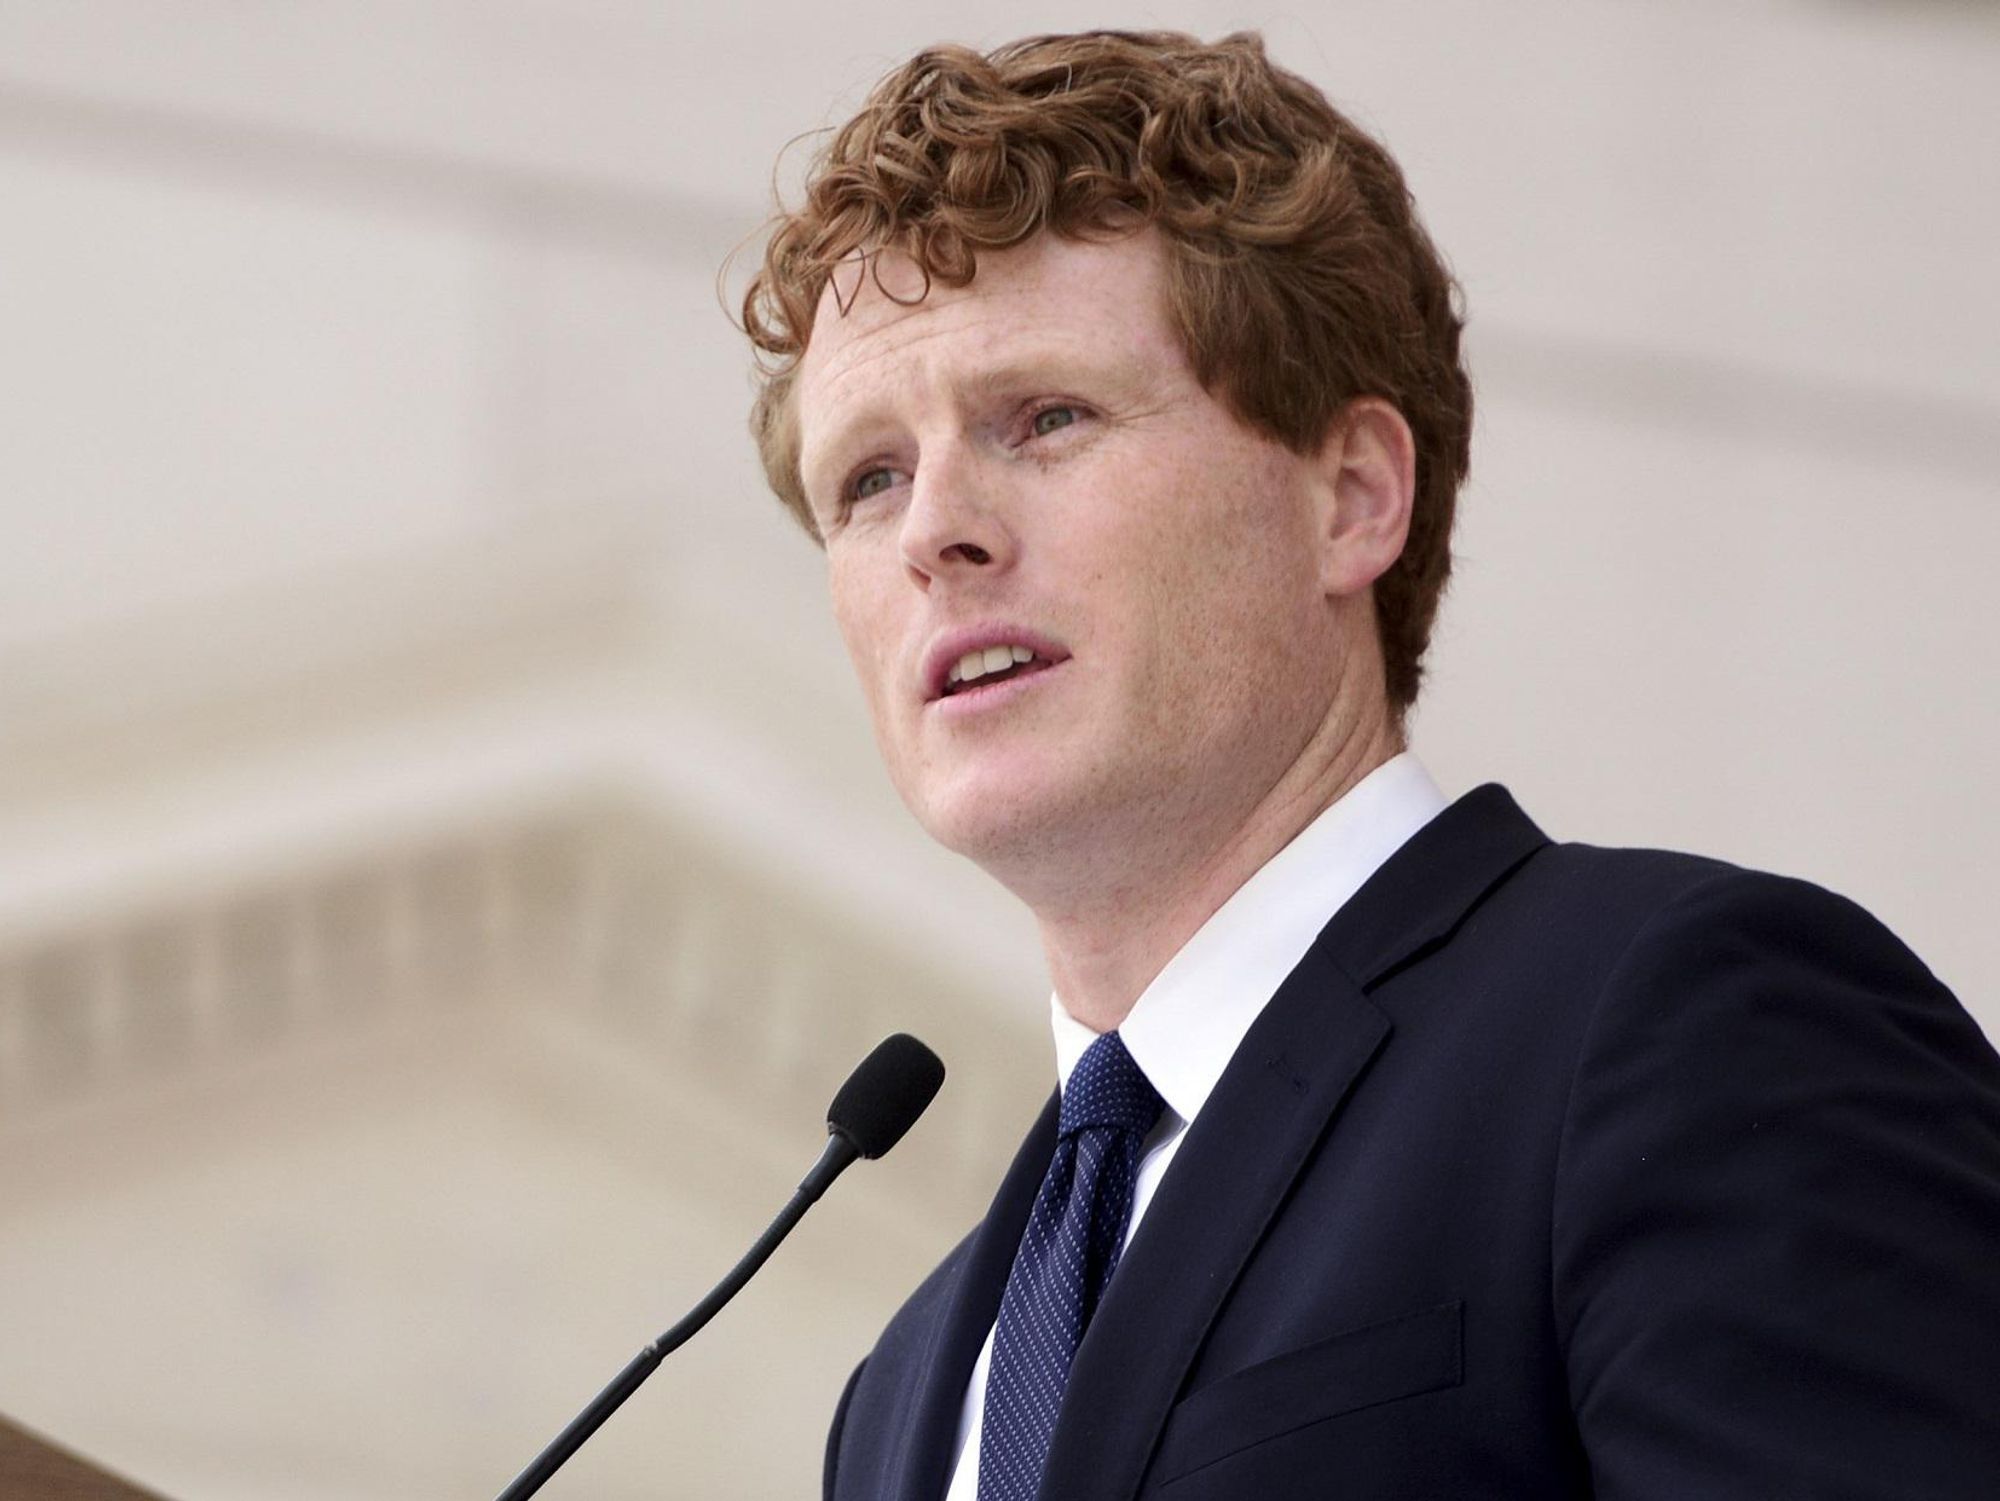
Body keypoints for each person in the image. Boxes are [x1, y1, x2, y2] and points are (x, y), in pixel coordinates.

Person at [736, 29, 2000, 1501]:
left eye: (1048, 418)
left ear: (1350, 497)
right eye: (868, 477)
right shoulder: (902, 1394)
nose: (931, 532)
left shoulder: (1689, 1026)